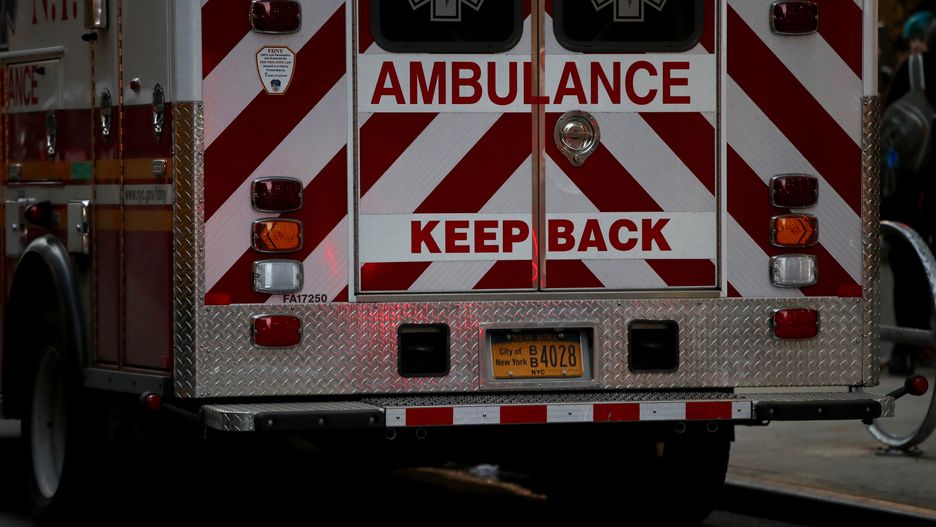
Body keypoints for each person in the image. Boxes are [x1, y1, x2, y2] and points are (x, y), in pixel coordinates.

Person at [882, 11, 936, 375]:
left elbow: (888, 129)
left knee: (908, 265)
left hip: (910, 187)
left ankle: (908, 348)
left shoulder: (913, 70)